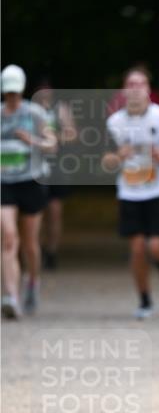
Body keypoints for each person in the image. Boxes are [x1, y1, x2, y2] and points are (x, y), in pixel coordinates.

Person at [102, 67, 159, 319]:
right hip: (129, 192)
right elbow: (106, 161)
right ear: (124, 90)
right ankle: (145, 300)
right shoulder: (114, 122)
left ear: (148, 90)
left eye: (140, 84)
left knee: (156, 247)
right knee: (138, 248)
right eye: (131, 84)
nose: (136, 88)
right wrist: (119, 155)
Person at [1, 65, 56, 318]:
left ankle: (32, 281)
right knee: (9, 237)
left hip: (31, 181)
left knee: (31, 244)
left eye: (14, 92)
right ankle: (11, 296)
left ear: (21, 90)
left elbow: (52, 144)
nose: (11, 97)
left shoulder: (34, 113)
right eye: (7, 92)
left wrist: (32, 141)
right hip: (4, 183)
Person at [33, 79, 78, 270]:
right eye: (41, 91)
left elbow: (73, 135)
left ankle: (51, 251)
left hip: (56, 167)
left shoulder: (61, 109)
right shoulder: (30, 111)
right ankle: (38, 250)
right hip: (36, 166)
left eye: (47, 90)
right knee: (37, 214)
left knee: (55, 213)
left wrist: (54, 138)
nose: (45, 94)